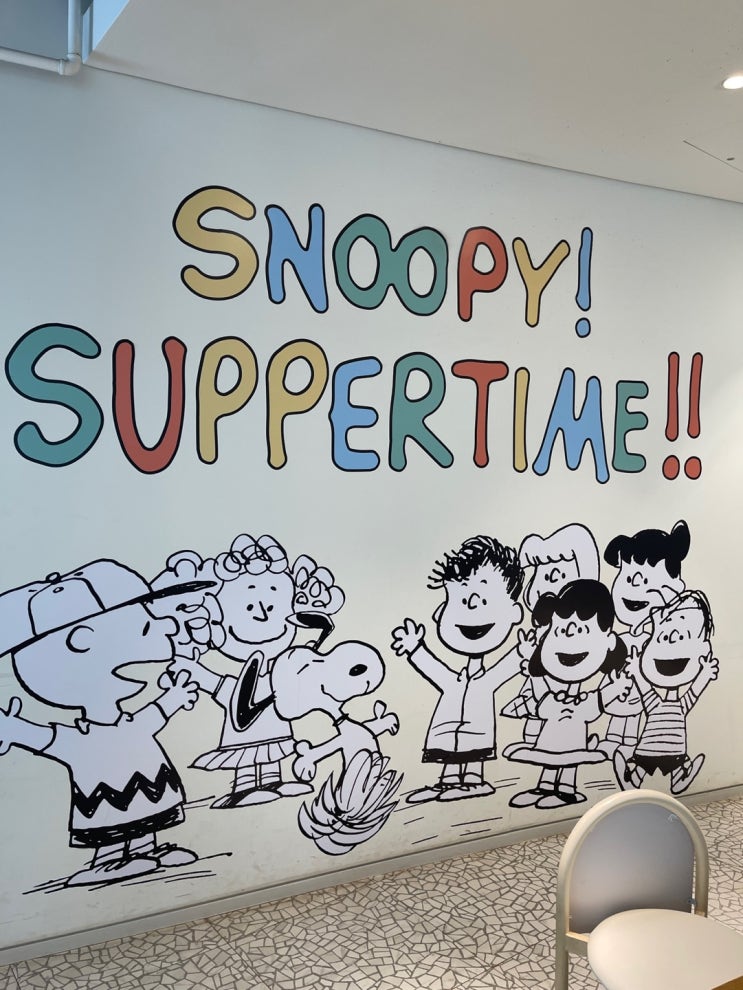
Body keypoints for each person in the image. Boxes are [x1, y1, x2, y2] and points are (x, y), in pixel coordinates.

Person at [0, 559, 209, 886]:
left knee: (147, 816)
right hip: (105, 793)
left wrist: (175, 696)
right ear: (82, 641)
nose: (168, 627)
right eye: (144, 628)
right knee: (113, 819)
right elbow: (47, 739)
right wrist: (14, 729)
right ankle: (107, 860)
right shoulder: (81, 739)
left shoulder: (128, 723)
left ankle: (146, 850)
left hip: (150, 782)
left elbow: (151, 717)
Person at [160, 534, 345, 808]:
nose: (262, 614)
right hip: (243, 729)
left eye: (272, 606)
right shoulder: (243, 679)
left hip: (275, 722)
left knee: (270, 754)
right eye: (248, 607)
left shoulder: (278, 669)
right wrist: (195, 671)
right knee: (247, 756)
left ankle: (272, 781)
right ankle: (243, 787)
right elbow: (224, 689)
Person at [391, 534, 526, 803]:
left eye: (484, 600)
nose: (472, 605)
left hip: (477, 733)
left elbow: (505, 668)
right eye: (461, 599)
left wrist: (523, 652)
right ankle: (447, 782)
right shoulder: (454, 681)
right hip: (446, 730)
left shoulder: (485, 681)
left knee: (473, 755)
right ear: (440, 612)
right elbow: (433, 669)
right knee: (449, 757)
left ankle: (475, 781)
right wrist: (415, 648)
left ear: (514, 613)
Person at [505, 579, 629, 809]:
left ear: (609, 641)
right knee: (550, 757)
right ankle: (544, 787)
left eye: (582, 630)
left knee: (571, 758)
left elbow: (599, 701)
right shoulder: (552, 698)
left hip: (574, 740)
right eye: (560, 630)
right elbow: (541, 698)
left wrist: (617, 687)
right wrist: (532, 670)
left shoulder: (584, 701)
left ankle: (567, 790)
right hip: (549, 740)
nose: (569, 637)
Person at [503, 524, 600, 747]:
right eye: (545, 573)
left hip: (565, 684)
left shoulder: (579, 627)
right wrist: (527, 653)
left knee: (564, 713)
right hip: (539, 680)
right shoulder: (540, 624)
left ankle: (572, 742)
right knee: (536, 714)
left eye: (562, 573)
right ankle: (534, 743)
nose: (553, 578)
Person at [601, 520, 690, 757]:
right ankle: (612, 740)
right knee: (618, 712)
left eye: (647, 581)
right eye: (629, 578)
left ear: (675, 587)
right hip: (618, 684)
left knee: (634, 712)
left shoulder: (658, 638)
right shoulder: (623, 636)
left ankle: (630, 742)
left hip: (641, 688)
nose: (635, 586)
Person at [614, 589, 717, 794]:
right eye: (662, 637)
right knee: (645, 764)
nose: (671, 641)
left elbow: (694, 691)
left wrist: (705, 674)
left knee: (658, 765)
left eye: (683, 636)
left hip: (669, 750)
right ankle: (636, 780)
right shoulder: (658, 704)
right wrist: (635, 670)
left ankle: (675, 779)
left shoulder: (674, 705)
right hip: (651, 749)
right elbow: (646, 689)